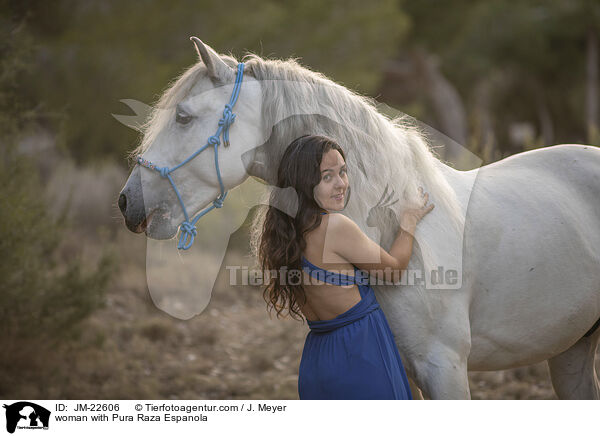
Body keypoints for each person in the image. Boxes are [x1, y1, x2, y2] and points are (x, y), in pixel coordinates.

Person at [251, 134, 434, 400]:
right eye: (327, 177)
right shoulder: (335, 227)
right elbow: (393, 270)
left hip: (317, 361)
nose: (341, 184)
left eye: (343, 172)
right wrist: (408, 222)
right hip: (361, 357)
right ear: (304, 183)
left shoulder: (282, 238)